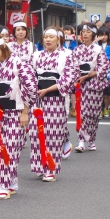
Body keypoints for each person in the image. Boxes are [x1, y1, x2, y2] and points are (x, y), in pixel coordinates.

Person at [0, 34, 36, 199]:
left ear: (3, 46)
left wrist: (25, 112)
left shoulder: (19, 63)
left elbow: (31, 88)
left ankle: (4, 185)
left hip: (16, 112)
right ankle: (10, 182)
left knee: (11, 148)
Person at [28, 27, 79, 182]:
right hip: (38, 99)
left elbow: (69, 77)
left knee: (53, 135)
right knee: (36, 133)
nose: (48, 40)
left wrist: (47, 89)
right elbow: (29, 74)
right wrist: (34, 89)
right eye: (46, 37)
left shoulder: (66, 55)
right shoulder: (36, 55)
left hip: (55, 98)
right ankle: (40, 165)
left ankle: (50, 168)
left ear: (58, 40)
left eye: (51, 37)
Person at [72, 24, 109, 152]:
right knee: (81, 113)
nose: (85, 34)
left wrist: (88, 75)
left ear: (93, 34)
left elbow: (103, 67)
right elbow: (73, 66)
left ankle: (91, 139)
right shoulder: (76, 50)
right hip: (81, 85)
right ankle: (81, 140)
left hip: (94, 84)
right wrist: (79, 77)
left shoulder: (98, 49)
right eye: (83, 32)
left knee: (92, 114)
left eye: (88, 32)